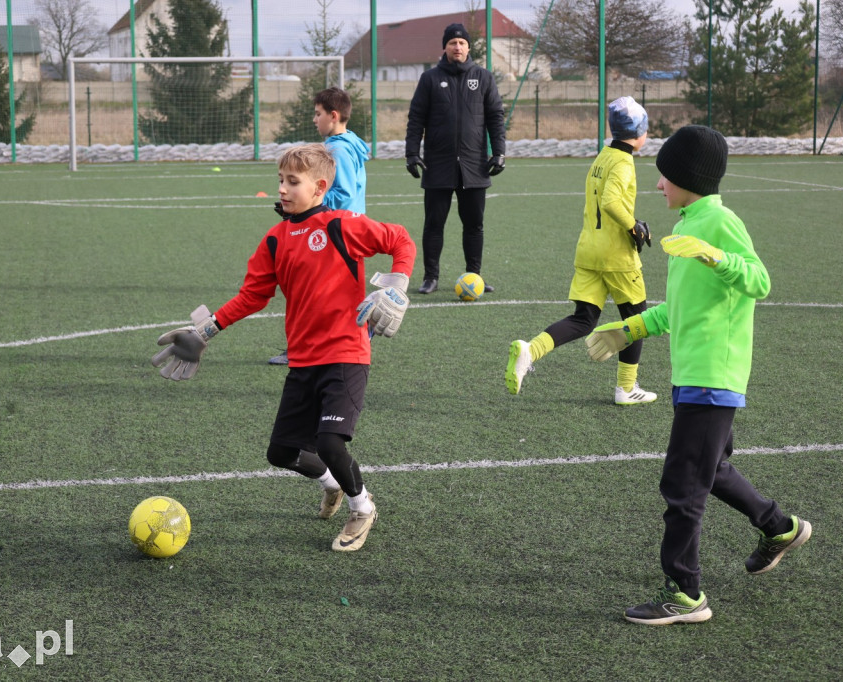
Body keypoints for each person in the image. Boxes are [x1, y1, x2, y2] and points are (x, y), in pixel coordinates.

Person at [585, 125, 812, 625]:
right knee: (711, 470)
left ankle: (685, 594)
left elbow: (759, 280)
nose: (658, 186)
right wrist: (629, 329)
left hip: (715, 375)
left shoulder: (719, 222)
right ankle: (779, 527)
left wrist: (716, 255)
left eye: (665, 176)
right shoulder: (687, 224)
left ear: (689, 178)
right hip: (694, 374)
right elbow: (681, 310)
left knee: (683, 481)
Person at [152, 143, 415, 552]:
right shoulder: (275, 240)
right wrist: (206, 331)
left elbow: (399, 239)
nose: (283, 189)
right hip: (303, 361)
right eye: (280, 180)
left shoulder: (342, 225)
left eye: (293, 181)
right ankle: (331, 483)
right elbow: (252, 296)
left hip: (346, 354)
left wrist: (397, 286)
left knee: (329, 442)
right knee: (281, 453)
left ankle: (362, 508)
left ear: (320, 187)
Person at [505, 97, 657, 405]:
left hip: (589, 251)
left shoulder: (603, 156)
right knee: (637, 319)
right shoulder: (624, 162)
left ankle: (530, 350)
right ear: (639, 132)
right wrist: (634, 227)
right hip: (616, 256)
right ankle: (626, 389)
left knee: (584, 319)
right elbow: (612, 201)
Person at [268, 87, 371, 366]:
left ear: (334, 115)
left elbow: (345, 193)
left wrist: (307, 204)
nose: (314, 120)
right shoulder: (349, 142)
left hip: (335, 231)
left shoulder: (337, 148)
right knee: (332, 292)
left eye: (318, 114)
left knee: (310, 291)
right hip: (341, 227)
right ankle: (355, 332)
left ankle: (304, 349)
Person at [405, 22, 506, 295]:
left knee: (474, 225)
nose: (457, 47)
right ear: (445, 47)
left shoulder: (483, 77)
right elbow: (416, 117)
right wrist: (412, 152)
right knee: (434, 224)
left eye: (462, 43)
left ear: (468, 47)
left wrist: (499, 152)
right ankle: (431, 278)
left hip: (475, 165)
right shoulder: (429, 78)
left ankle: (474, 277)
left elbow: (496, 117)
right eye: (452, 43)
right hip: (437, 164)